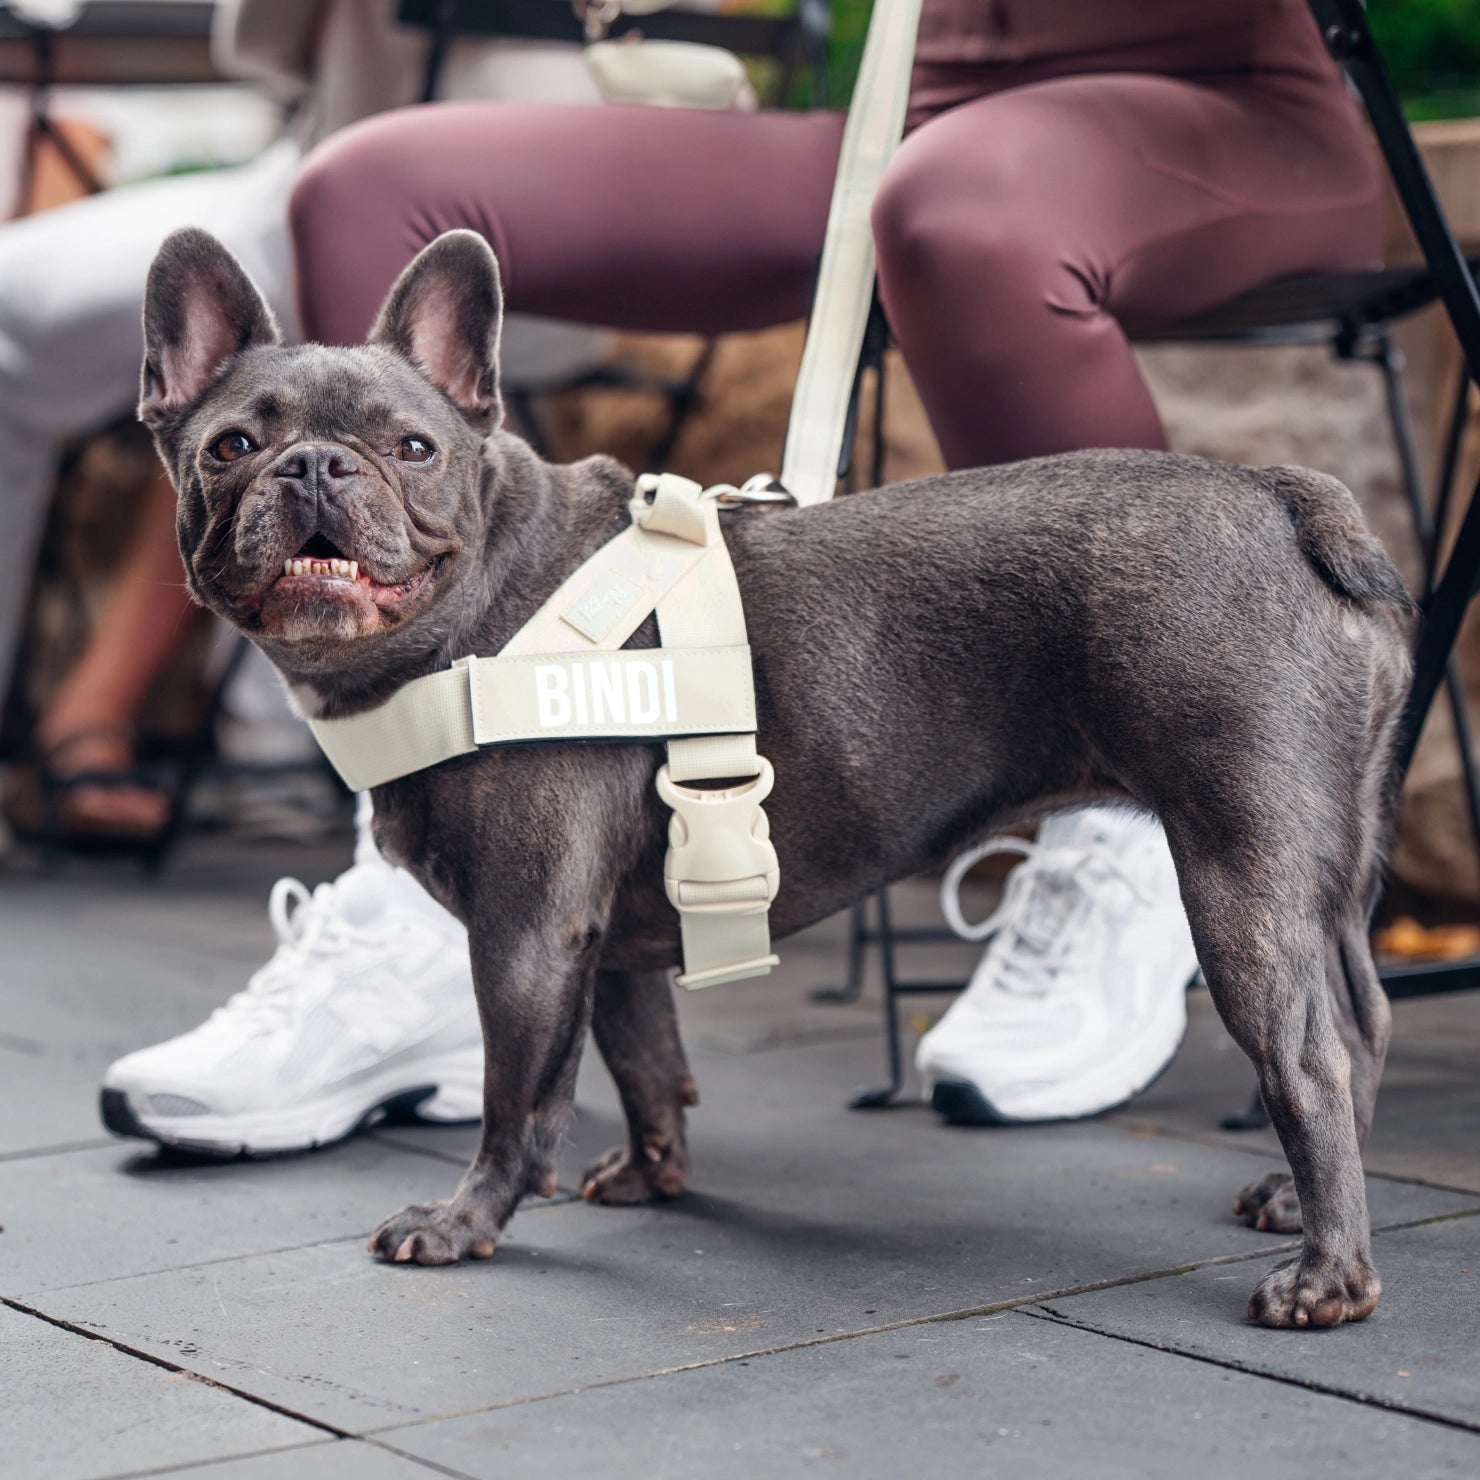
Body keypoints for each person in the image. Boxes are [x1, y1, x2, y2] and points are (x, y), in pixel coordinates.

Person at [103, 0, 1385, 1147]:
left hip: (1221, 102)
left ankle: (1114, 842)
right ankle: (465, 857)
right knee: (368, 182)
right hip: (905, 104)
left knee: (956, 213)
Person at [0, 0, 606, 844]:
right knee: (254, 423)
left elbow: (260, 42)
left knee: (39, 323)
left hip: (371, 185)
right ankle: (251, 736)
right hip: (601, 240)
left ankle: (239, 731)